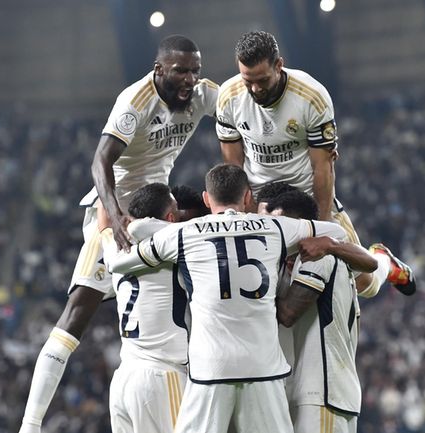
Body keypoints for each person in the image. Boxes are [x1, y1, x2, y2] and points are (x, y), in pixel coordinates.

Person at [18, 34, 217, 433]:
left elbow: (240, 110)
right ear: (159, 69)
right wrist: (114, 217)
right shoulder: (135, 101)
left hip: (163, 207)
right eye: (180, 70)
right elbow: (100, 162)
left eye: (195, 70)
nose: (189, 79)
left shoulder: (203, 94)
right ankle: (31, 423)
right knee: (77, 312)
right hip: (118, 215)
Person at [108, 164, 349, 433]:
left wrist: (135, 226)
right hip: (262, 368)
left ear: (206, 199)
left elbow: (120, 263)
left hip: (210, 368)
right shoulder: (276, 227)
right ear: (248, 198)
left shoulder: (182, 234)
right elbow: (336, 232)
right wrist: (323, 244)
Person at [215, 30, 415, 298]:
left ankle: (384, 263)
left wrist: (321, 229)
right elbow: (233, 165)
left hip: (306, 196)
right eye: (247, 80)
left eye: (261, 80)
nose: (254, 89)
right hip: (260, 200)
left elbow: (323, 168)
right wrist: (242, 214)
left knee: (364, 285)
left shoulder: (311, 96)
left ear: (278, 65)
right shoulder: (229, 97)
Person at [100, 183, 207, 433]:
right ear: (170, 217)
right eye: (177, 212)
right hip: (162, 376)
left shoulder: (114, 243)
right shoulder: (178, 242)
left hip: (124, 377)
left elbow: (104, 222)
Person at [266, 191, 369, 433]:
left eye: (282, 226)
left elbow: (288, 314)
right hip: (322, 394)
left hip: (322, 394)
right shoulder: (330, 256)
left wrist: (251, 290)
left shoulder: (317, 259)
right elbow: (370, 268)